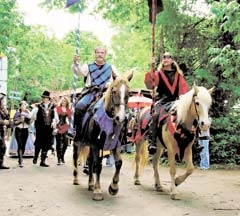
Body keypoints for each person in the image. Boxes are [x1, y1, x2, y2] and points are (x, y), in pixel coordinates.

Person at [67, 46, 118, 143]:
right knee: (79, 106)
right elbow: (78, 72)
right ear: (95, 54)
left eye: (102, 53)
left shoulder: (111, 67)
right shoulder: (88, 66)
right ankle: (74, 130)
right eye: (98, 52)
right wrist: (75, 63)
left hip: (106, 93)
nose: (100, 54)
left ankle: (118, 134)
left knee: (119, 108)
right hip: (91, 91)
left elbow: (118, 79)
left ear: (105, 55)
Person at [144, 52, 189, 154]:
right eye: (164, 57)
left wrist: (183, 97)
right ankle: (153, 142)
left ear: (172, 60)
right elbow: (150, 84)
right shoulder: (158, 74)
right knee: (155, 116)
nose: (166, 59)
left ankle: (189, 142)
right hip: (162, 101)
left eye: (168, 57)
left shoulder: (178, 76)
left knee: (187, 116)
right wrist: (152, 68)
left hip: (176, 102)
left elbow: (183, 89)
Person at [30, 90, 59, 167]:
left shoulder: (53, 107)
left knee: (47, 144)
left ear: (48, 98)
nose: (44, 99)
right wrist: (33, 119)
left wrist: (54, 122)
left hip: (49, 128)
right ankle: (35, 157)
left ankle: (43, 161)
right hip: (40, 128)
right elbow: (31, 116)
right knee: (38, 143)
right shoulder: (38, 106)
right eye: (43, 97)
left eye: (45, 98)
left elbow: (56, 118)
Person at [13, 101, 31, 167]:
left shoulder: (28, 112)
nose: (23, 106)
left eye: (25, 105)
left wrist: (31, 119)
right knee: (20, 145)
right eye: (22, 105)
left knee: (23, 146)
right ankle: (20, 160)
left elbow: (30, 122)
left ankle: (21, 157)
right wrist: (20, 120)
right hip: (19, 130)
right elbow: (14, 122)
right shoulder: (17, 112)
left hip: (25, 130)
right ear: (20, 106)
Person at [55, 97, 72, 165]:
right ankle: (58, 158)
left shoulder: (68, 110)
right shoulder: (57, 109)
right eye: (62, 101)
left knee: (65, 142)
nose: (63, 102)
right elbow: (55, 117)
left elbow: (70, 119)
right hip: (58, 126)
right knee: (58, 143)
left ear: (67, 102)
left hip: (65, 127)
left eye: (65, 101)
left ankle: (62, 156)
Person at [0, 92, 10, 169]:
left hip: (1, 131)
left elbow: (6, 118)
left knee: (3, 147)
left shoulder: (2, 110)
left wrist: (7, 114)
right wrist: (3, 122)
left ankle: (0, 163)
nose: (3, 102)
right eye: (2, 101)